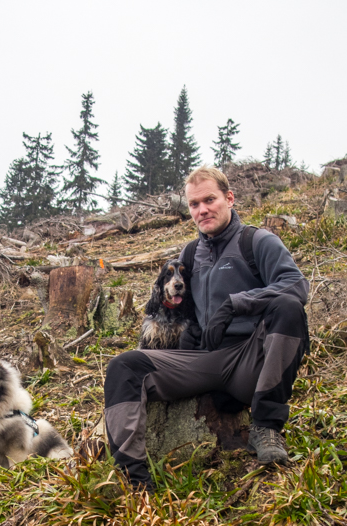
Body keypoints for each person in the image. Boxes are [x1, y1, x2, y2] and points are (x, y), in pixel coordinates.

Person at [104, 166, 309, 492]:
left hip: (250, 361)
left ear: (229, 198)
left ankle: (267, 426)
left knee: (288, 308)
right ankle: (134, 480)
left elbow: (296, 286)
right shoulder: (190, 254)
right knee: (124, 366)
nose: (202, 210)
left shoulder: (256, 242)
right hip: (203, 361)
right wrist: (190, 332)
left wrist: (236, 304)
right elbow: (177, 305)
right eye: (194, 204)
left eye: (209, 200)